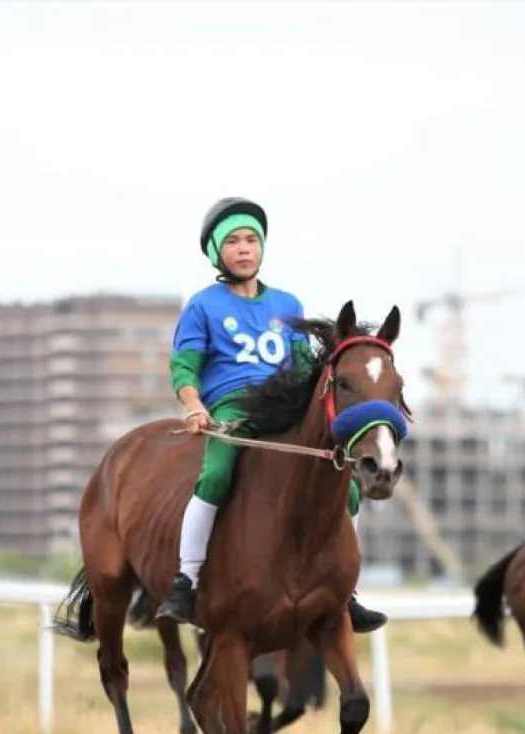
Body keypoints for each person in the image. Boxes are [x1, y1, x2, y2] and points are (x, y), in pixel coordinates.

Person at [155, 196, 388, 633]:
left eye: (251, 240)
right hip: (233, 407)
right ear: (217, 254)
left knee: (348, 488)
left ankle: (347, 591)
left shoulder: (288, 303)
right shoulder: (203, 306)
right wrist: (193, 405)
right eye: (234, 242)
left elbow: (303, 366)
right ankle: (186, 580)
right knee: (215, 474)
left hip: (287, 406)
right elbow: (184, 365)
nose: (244, 248)